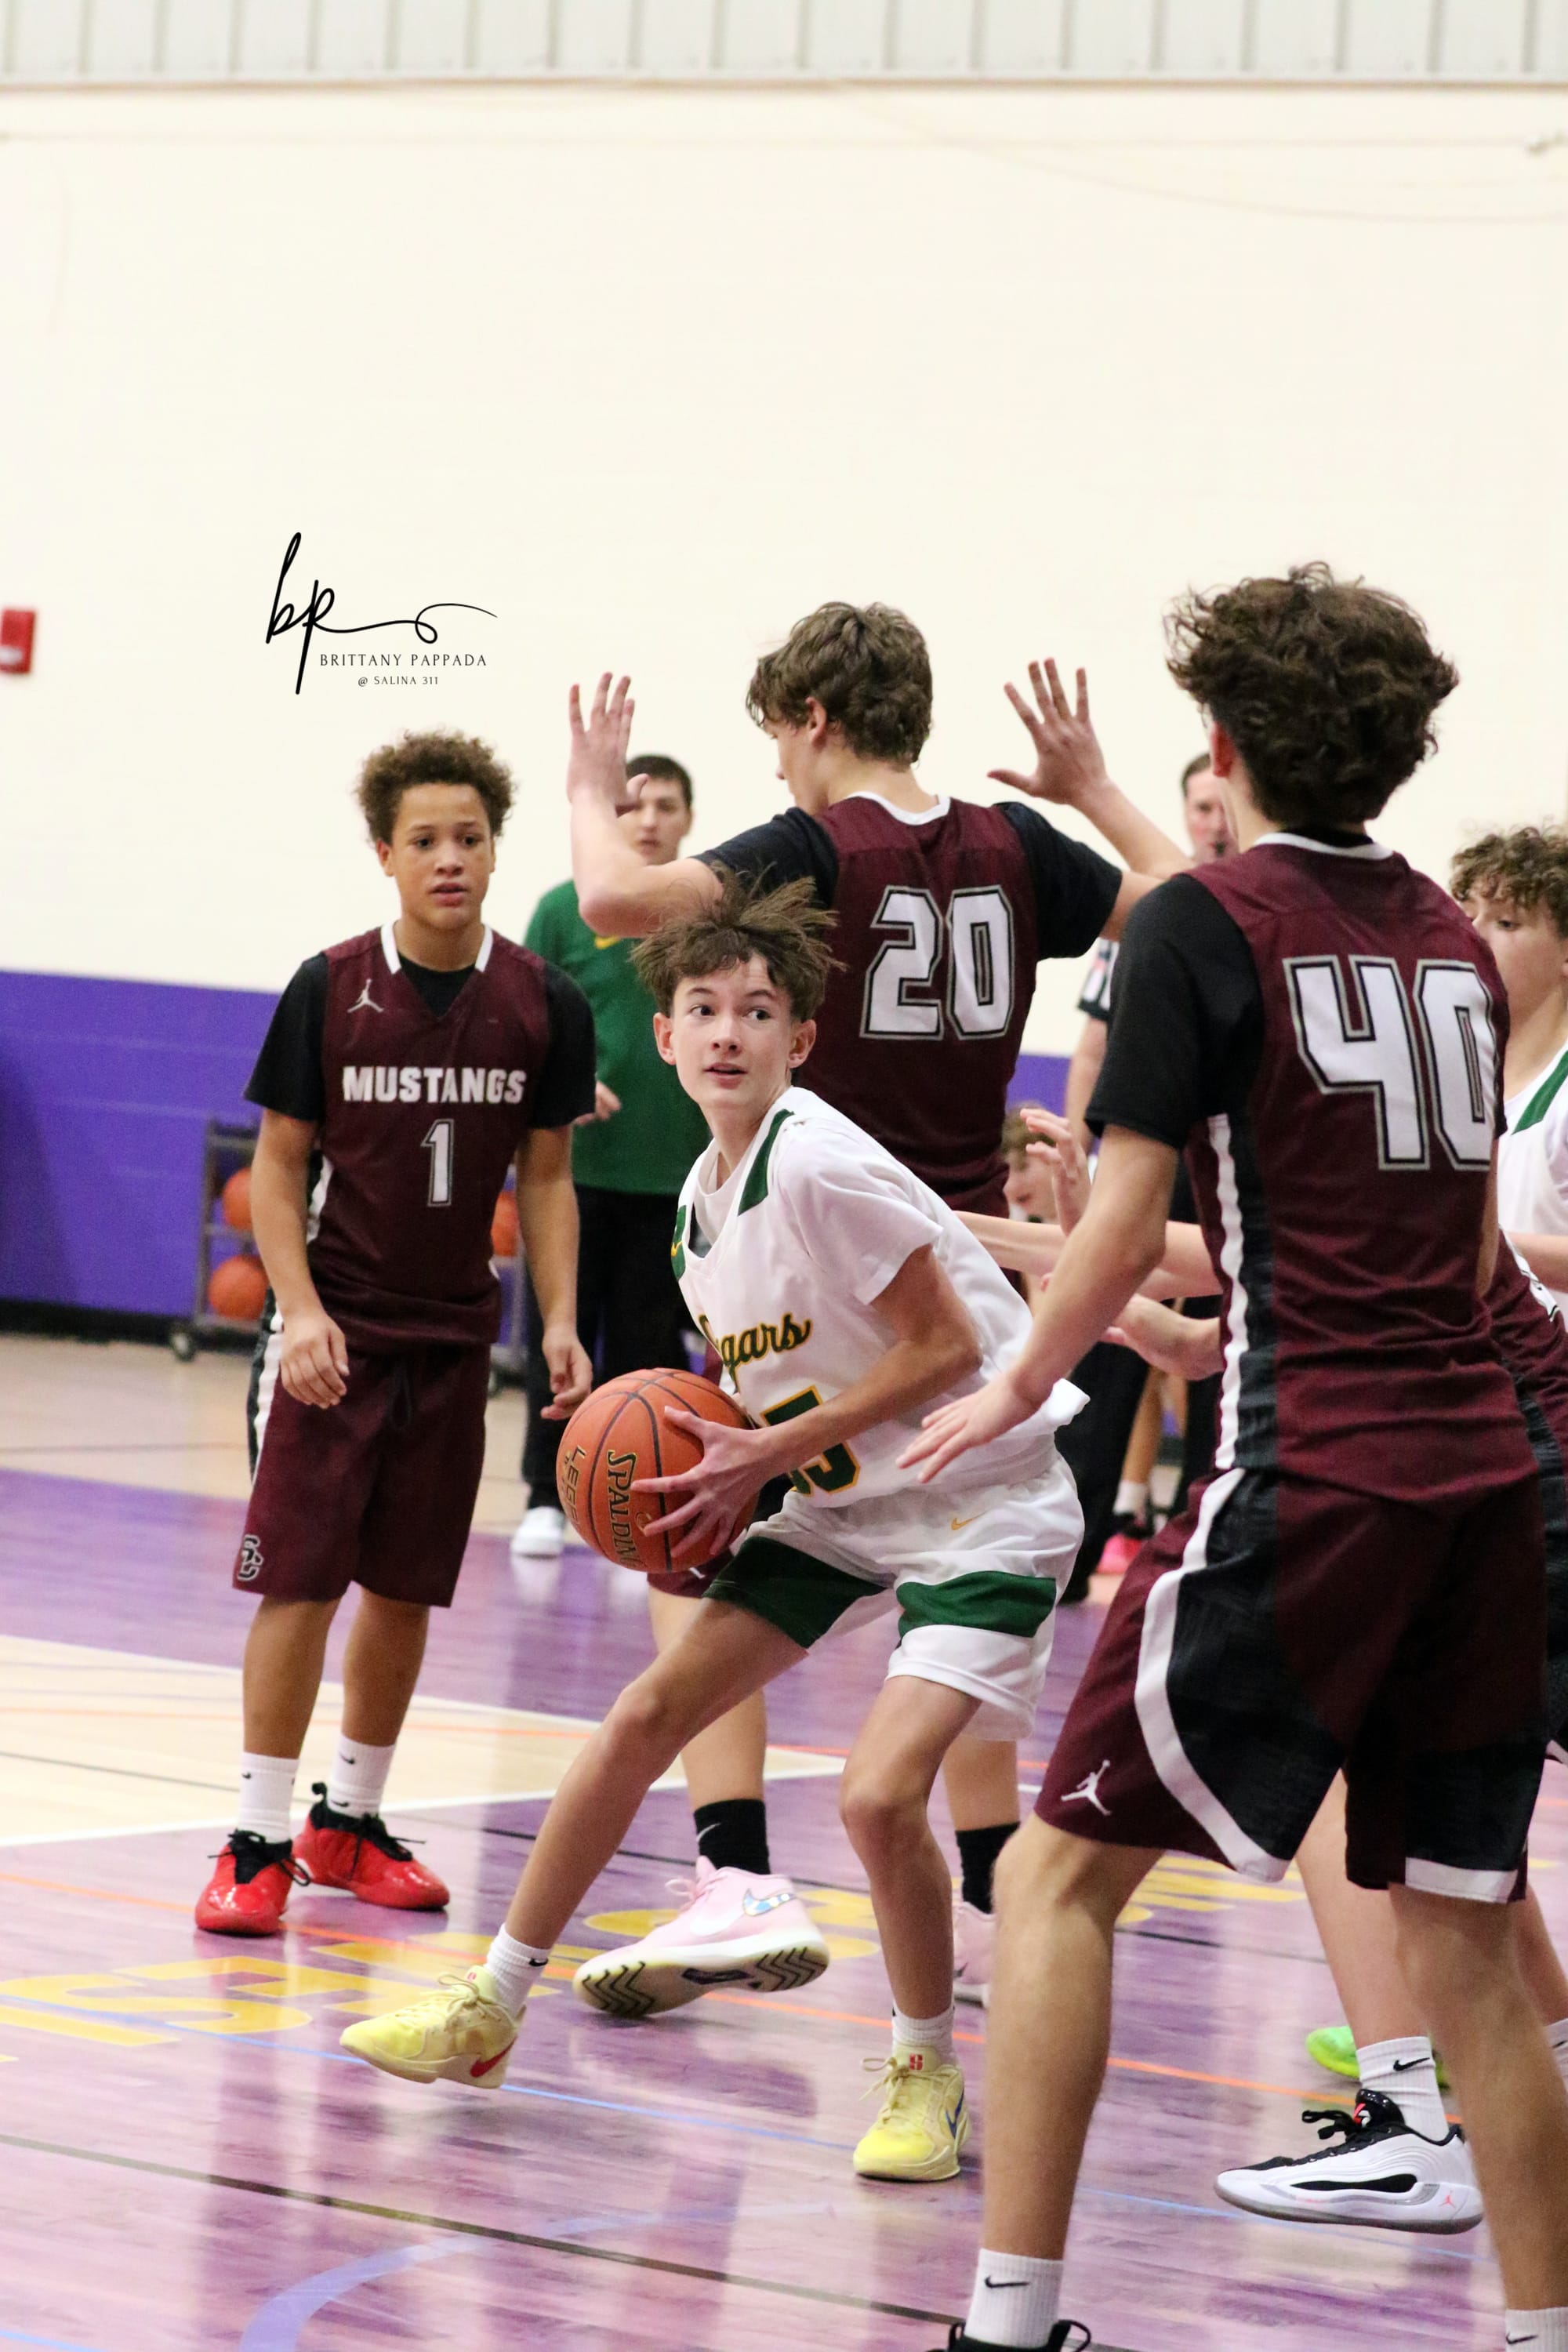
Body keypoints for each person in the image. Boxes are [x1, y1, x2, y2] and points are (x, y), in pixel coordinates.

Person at [904, 564, 1568, 2352]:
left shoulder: (1199, 920)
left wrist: (1016, 1380)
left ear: (1219, 737)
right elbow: (1452, 1253)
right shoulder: (1448, 937)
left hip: (1311, 1470)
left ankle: (1007, 2323)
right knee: (1463, 1936)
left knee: (1057, 1877)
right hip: (1478, 1479)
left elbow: (1123, 1217)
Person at [339, 874, 1085, 2187]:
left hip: (984, 1499)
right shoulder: (699, 1201)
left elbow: (945, 1349)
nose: (727, 1031)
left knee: (875, 1794)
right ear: (666, 1036)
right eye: (702, 1008)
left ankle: (926, 2070)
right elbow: (791, 1382)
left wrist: (767, 1456)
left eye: (756, 1010)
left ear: (801, 1036)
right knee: (646, 1713)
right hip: (848, 1499)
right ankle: (492, 2004)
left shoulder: (818, 1160)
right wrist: (717, 1470)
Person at [557, 605, 1182, 2007]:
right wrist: (1093, 789)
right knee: (964, 1594)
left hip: (830, 1254)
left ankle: (734, 1873)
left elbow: (610, 899)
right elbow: (1184, 901)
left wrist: (593, 784)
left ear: (817, 721)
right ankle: (992, 1889)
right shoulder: (1013, 845)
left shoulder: (817, 849)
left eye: (779, 739)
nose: (778, 769)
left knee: (695, 1527)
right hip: (980, 1263)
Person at [194, 731, 594, 1937]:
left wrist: (561, 1320)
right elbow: (277, 1169)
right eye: (425, 839)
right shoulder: (327, 987)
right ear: (385, 854)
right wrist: (300, 1310)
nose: (449, 857)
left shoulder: (543, 1001)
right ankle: (257, 1838)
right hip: (335, 1336)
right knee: (300, 1585)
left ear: (495, 849)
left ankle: (349, 1822)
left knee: (407, 1589)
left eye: (469, 836)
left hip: (453, 1338)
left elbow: (547, 1180)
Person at [512, 755, 710, 1560]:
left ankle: (637, 1510)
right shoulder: (563, 910)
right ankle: (543, 1496)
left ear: (688, 819)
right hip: (571, 1172)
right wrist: (567, 1079)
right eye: (634, 805)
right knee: (556, 1337)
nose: (650, 819)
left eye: (667, 805)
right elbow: (524, 1020)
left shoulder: (705, 914)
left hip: (673, 1174)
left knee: (648, 1351)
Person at [1054, 752, 1234, 1596]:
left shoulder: (1266, 921)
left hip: (1231, 1164)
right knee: (1110, 1344)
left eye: (1221, 804)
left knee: (1223, 1360)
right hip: (1150, 1156)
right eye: (1198, 806)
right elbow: (1091, 1048)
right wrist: (1086, 1155)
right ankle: (1070, 1548)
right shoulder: (1147, 915)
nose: (1212, 821)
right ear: (1184, 813)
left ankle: (1209, 1538)